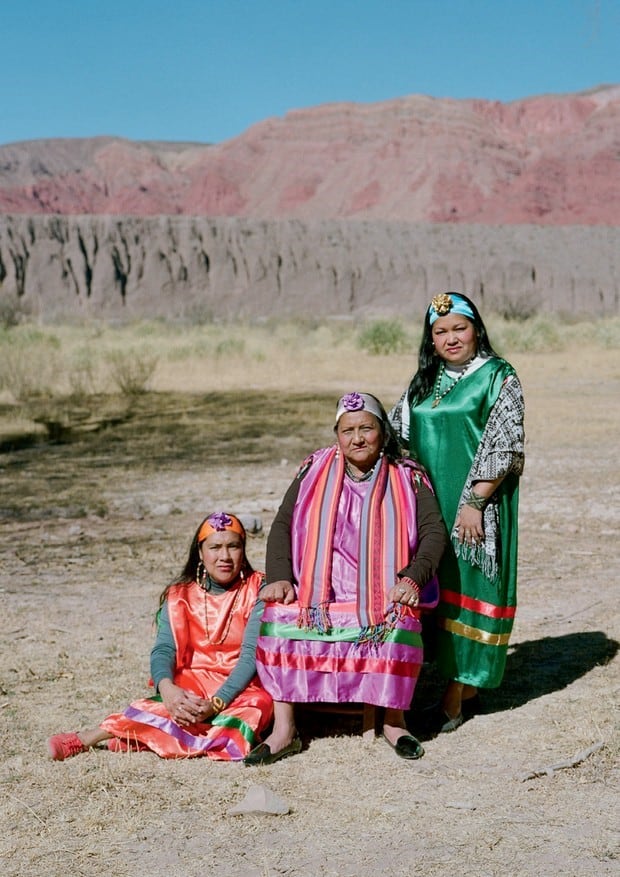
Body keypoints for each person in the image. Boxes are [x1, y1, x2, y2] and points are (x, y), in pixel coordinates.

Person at [244, 392, 447, 765]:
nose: (357, 438)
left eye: (366, 428)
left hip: (381, 591)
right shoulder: (313, 468)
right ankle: (285, 729)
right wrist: (279, 576)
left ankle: (394, 721)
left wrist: (413, 578)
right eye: (347, 430)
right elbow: (283, 524)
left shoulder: (407, 475)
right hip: (319, 593)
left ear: (382, 432)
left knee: (398, 618)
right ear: (337, 434)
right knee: (278, 617)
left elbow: (434, 531)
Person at [390, 292, 525, 732]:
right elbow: (395, 435)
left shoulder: (498, 376)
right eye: (440, 332)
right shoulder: (422, 382)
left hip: (474, 510)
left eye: (459, 328)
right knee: (438, 594)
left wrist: (474, 503)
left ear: (476, 329)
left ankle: (454, 698)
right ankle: (460, 686)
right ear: (430, 340)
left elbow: (506, 444)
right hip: (430, 510)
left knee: (471, 593)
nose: (451, 338)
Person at [47, 512, 273, 760]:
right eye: (215, 547)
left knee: (259, 707)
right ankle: (88, 737)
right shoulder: (179, 596)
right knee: (171, 706)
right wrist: (167, 690)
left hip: (241, 687)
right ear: (200, 552)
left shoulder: (260, 589)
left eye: (233, 546)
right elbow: (164, 649)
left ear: (243, 550)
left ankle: (140, 737)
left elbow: (251, 655)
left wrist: (217, 703)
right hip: (193, 682)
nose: (224, 556)